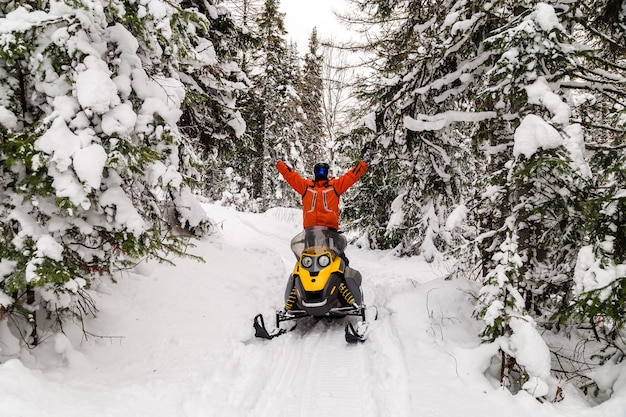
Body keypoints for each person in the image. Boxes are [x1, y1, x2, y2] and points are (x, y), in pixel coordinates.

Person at [269, 149, 371, 311]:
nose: (321, 173)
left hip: (330, 233)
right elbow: (291, 176)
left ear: (327, 172)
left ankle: (346, 298)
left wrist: (364, 163)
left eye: (324, 170)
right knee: (305, 266)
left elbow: (352, 176)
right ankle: (297, 300)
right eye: (319, 170)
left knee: (341, 263)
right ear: (315, 173)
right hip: (310, 234)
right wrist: (278, 163)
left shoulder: (335, 186)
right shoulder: (306, 187)